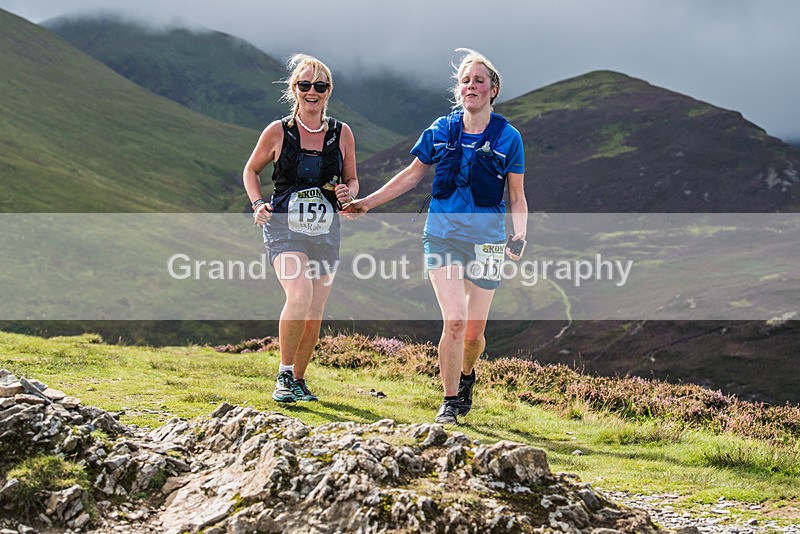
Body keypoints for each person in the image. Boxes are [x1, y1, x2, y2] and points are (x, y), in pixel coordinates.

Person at [344, 49, 527, 424]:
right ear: (458, 90)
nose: (471, 86)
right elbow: (412, 174)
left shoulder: (509, 138)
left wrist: (519, 236)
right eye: (465, 80)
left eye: (479, 80)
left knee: (473, 335)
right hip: (441, 235)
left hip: (489, 241)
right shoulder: (441, 130)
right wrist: (368, 203)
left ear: (493, 89)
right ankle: (449, 402)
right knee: (455, 320)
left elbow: (517, 196)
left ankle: (467, 374)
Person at [243, 54, 358, 403]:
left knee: (315, 311)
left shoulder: (342, 133)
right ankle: (283, 374)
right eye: (305, 85)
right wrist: (257, 204)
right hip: (283, 227)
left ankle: (299, 380)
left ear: (328, 91)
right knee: (300, 295)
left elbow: (352, 179)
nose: (313, 92)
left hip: (325, 230)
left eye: (320, 86)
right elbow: (251, 171)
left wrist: (347, 193)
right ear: (295, 89)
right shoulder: (278, 131)